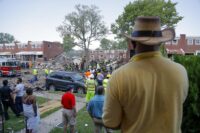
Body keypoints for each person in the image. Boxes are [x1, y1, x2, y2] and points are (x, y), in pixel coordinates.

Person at [103, 16, 189, 133]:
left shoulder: (119, 76)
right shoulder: (181, 71)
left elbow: (111, 123)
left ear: (132, 43)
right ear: (160, 42)